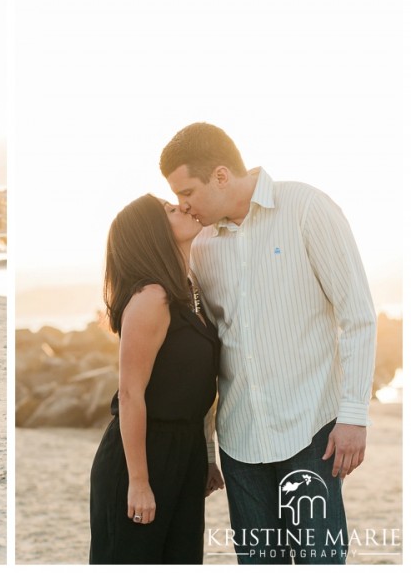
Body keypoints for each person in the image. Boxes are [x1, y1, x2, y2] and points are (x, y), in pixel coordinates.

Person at [159, 122, 377, 564]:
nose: (183, 205)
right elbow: (205, 351)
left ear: (221, 176)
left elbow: (358, 316)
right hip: (239, 442)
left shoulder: (307, 208)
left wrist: (354, 416)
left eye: (187, 192)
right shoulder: (199, 244)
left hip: (311, 431)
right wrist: (205, 449)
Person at [89, 194, 224, 564]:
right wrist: (138, 482)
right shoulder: (152, 297)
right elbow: (131, 394)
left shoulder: (188, 290)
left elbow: (197, 387)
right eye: (169, 209)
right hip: (144, 455)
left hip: (185, 450)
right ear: (153, 234)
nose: (182, 206)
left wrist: (206, 455)